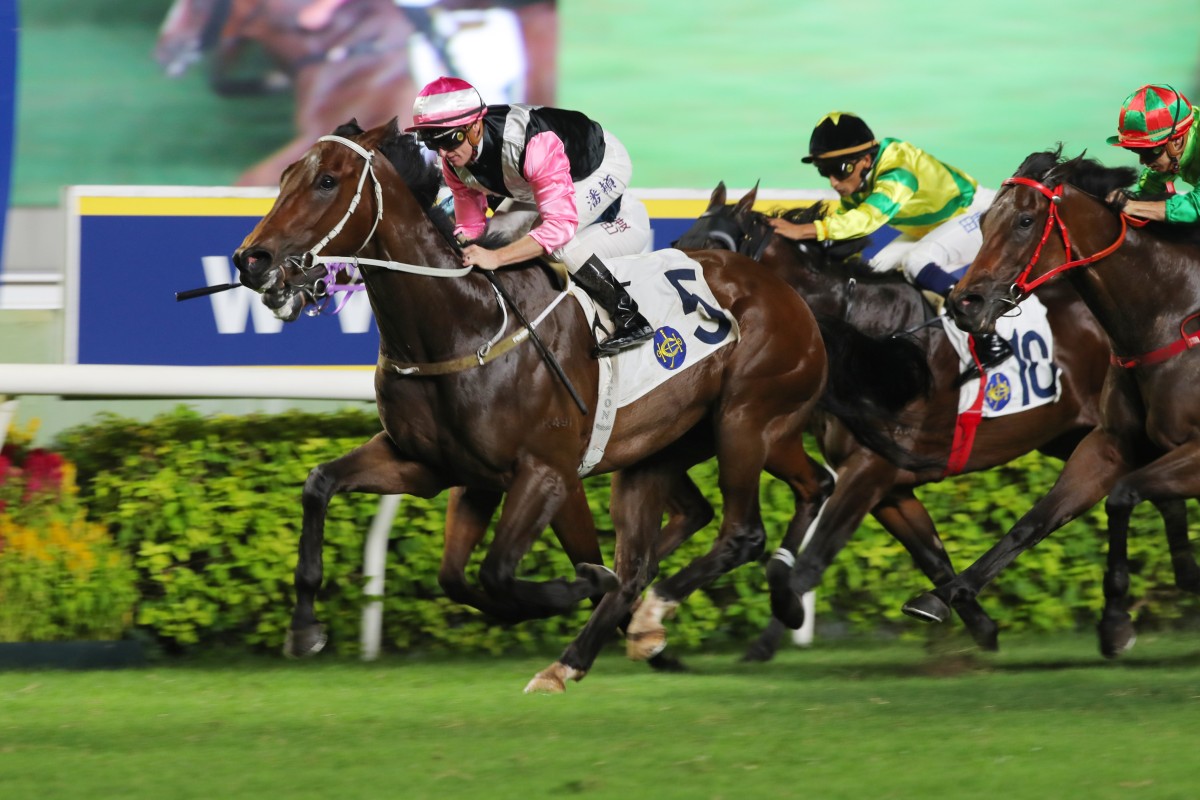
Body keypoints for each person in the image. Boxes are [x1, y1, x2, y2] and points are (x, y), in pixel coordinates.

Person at [405, 75, 655, 356]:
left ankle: (630, 317)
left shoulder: (532, 144)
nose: (443, 153)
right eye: (432, 143)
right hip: (534, 176)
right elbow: (472, 227)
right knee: (499, 232)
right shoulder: (453, 161)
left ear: (475, 126)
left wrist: (496, 257)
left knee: (558, 244)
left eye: (450, 140)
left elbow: (558, 228)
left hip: (600, 166)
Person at [768, 112, 1009, 378]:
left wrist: (805, 230)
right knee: (871, 265)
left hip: (980, 216)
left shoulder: (898, 168)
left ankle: (987, 333)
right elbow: (846, 226)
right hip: (931, 228)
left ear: (866, 160)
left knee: (917, 261)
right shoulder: (859, 182)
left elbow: (868, 218)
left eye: (840, 169)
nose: (833, 182)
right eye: (824, 171)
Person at [1107, 84, 1198, 224]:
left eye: (1148, 152)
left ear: (1177, 141)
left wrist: (1135, 207)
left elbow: (1196, 206)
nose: (1142, 161)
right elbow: (1149, 188)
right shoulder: (1169, 156)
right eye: (1136, 151)